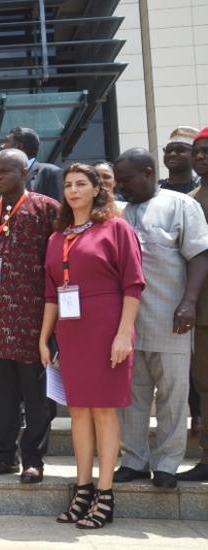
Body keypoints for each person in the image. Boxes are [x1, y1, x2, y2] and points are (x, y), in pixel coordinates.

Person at [40, 164, 144, 529]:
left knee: (103, 412)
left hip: (107, 327)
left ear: (97, 189)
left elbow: (133, 284)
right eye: (68, 185)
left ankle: (105, 493)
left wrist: (123, 333)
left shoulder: (116, 228)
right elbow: (51, 293)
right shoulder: (57, 237)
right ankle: (82, 488)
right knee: (78, 412)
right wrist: (44, 337)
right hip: (71, 332)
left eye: (81, 184)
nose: (73, 190)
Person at [113, 148, 208, 489]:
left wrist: (189, 302)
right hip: (127, 325)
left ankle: (167, 464)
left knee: (172, 396)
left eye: (126, 180)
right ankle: (134, 461)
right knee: (132, 397)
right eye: (118, 181)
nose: (121, 186)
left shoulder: (180, 205)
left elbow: (200, 255)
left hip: (170, 319)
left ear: (149, 173)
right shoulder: (119, 213)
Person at [0, 149, 59, 484]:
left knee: (36, 397)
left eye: (5, 171)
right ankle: (3, 456)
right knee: (3, 396)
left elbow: (58, 265)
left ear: (24, 172)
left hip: (33, 320)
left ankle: (33, 459)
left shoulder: (47, 209)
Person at [181, 127, 208, 481]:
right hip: (202, 312)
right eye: (197, 151)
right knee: (205, 386)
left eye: (207, 151)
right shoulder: (190, 200)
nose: (200, 157)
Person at [1, 127, 63, 202]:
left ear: (19, 146)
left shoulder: (50, 173)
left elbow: (58, 207)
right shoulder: (3, 177)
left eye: (7, 141)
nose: (2, 146)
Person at [159, 126, 199, 194]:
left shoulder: (202, 188)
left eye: (180, 150)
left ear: (194, 155)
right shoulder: (154, 190)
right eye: (169, 150)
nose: (172, 154)